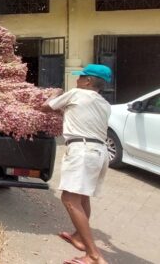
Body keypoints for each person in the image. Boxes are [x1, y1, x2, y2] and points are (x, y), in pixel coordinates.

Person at [41, 64, 112, 264]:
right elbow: (70, 116)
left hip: (82, 152)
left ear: (88, 81)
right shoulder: (103, 104)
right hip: (99, 152)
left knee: (70, 200)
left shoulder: (76, 94)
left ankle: (93, 255)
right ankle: (79, 237)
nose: (77, 80)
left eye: (80, 77)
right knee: (82, 197)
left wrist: (55, 93)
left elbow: (45, 107)